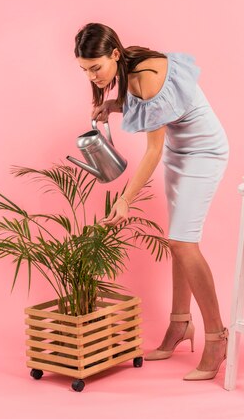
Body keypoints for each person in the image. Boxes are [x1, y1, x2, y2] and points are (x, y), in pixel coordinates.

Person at [74, 22, 230, 381]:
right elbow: (160, 114)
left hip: (204, 152)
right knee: (178, 243)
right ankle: (179, 326)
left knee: (184, 243)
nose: (92, 76)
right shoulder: (130, 64)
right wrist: (113, 104)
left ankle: (217, 336)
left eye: (95, 67)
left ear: (114, 54)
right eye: (85, 70)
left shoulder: (143, 76)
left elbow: (152, 150)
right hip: (181, 150)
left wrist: (125, 200)